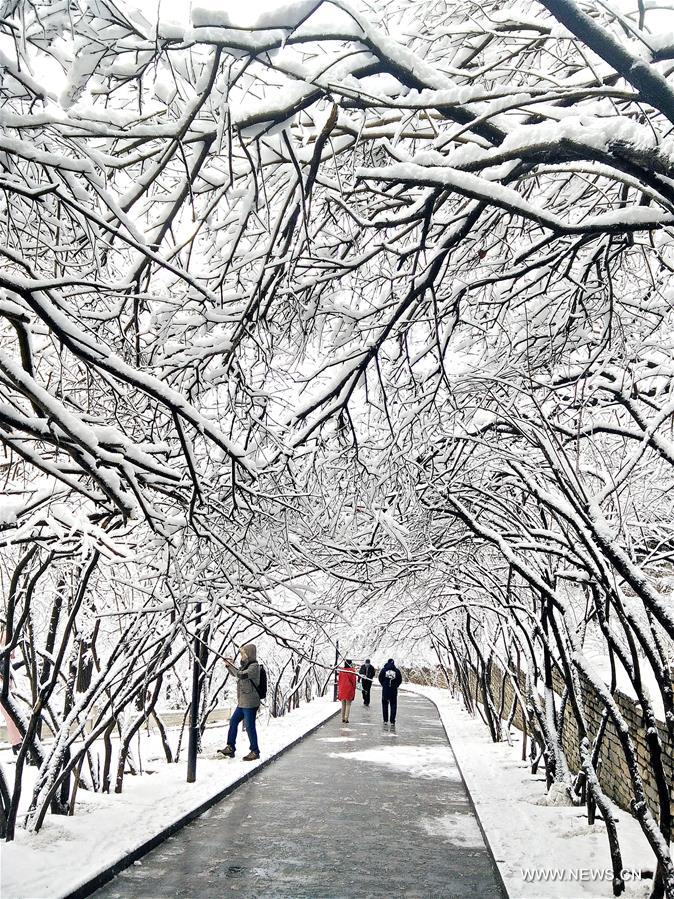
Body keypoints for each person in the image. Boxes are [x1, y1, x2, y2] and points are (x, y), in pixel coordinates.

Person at [218, 644, 262, 761]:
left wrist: (231, 665)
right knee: (233, 721)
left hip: (250, 703)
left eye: (243, 653)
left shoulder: (254, 667)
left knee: (249, 727)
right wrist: (229, 665)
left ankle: (255, 751)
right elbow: (236, 673)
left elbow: (241, 675)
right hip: (242, 702)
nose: (242, 656)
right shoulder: (245, 666)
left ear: (249, 654)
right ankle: (230, 748)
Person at [378, 658, 403, 727]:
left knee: (385, 705)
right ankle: (392, 720)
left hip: (385, 690)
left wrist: (384, 684)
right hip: (393, 691)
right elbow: (400, 680)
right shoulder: (397, 671)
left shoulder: (384, 670)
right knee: (393, 705)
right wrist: (396, 685)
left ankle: (385, 720)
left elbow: (380, 678)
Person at [337, 659, 357, 723]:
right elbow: (353, 681)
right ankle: (346, 718)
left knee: (343, 705)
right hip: (349, 689)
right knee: (348, 704)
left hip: (342, 689)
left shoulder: (342, 671)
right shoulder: (352, 671)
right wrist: (354, 687)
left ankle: (342, 718)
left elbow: (339, 680)